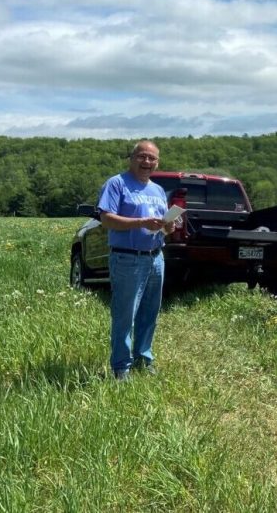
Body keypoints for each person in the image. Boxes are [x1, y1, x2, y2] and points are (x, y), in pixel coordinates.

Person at [97, 140, 175, 380]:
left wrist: (169, 225)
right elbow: (106, 219)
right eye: (142, 156)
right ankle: (121, 367)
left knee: (149, 312)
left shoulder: (158, 190)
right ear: (132, 158)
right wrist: (141, 223)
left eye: (152, 158)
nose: (147, 162)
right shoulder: (117, 183)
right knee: (125, 314)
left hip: (155, 258)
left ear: (157, 162)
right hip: (127, 259)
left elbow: (164, 229)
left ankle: (144, 358)